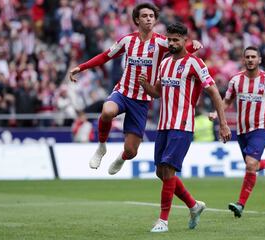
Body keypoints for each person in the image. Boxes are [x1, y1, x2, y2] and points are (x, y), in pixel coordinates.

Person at [69, 3, 202, 174]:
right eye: (145, 16)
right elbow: (105, 56)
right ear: (137, 20)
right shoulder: (127, 40)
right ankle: (101, 147)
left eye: (151, 16)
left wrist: (193, 45)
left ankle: (122, 158)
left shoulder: (161, 42)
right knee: (107, 111)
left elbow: (179, 51)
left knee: (131, 151)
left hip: (142, 100)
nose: (148, 19)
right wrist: (81, 67)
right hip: (123, 92)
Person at [138, 22, 231, 233]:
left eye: (175, 40)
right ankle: (194, 205)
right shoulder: (164, 63)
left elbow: (214, 92)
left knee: (169, 170)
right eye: (169, 39)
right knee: (161, 173)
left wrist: (223, 123)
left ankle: (163, 221)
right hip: (164, 125)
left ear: (184, 41)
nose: (171, 43)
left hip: (183, 125)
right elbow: (157, 93)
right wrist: (146, 86)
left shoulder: (195, 63)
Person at [209, 46, 265, 218]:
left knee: (250, 164)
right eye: (247, 57)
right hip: (242, 130)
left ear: (259, 60)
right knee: (254, 166)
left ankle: (240, 204)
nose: (250, 60)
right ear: (244, 60)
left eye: (253, 57)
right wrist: (216, 112)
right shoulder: (235, 80)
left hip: (260, 128)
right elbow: (227, 101)